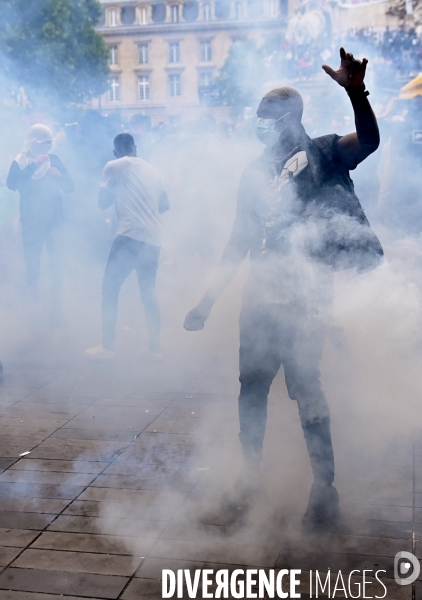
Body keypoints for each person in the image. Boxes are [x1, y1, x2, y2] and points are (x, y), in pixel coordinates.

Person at [184, 48, 383, 530]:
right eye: (256, 119)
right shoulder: (254, 174)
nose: (258, 125)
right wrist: (207, 301)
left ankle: (324, 491)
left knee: (306, 389)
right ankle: (250, 480)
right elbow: (238, 241)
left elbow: (371, 142)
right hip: (259, 297)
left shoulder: (324, 152)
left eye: (265, 118)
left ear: (289, 118)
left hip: (304, 296)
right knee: (250, 389)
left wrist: (356, 93)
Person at [86, 133, 169, 360]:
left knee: (110, 289)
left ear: (115, 151)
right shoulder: (153, 170)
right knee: (148, 292)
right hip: (153, 237)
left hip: (129, 235)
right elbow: (165, 204)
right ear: (135, 148)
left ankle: (108, 347)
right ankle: (155, 348)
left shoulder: (113, 166)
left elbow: (102, 203)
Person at [7, 124, 74, 323]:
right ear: (32, 142)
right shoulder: (20, 161)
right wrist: (32, 166)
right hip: (31, 221)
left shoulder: (55, 160)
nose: (46, 149)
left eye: (48, 144)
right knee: (32, 261)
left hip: (54, 220)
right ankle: (35, 302)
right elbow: (12, 185)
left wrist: (59, 176)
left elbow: (70, 187)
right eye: (42, 144)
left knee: (57, 261)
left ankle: (56, 303)